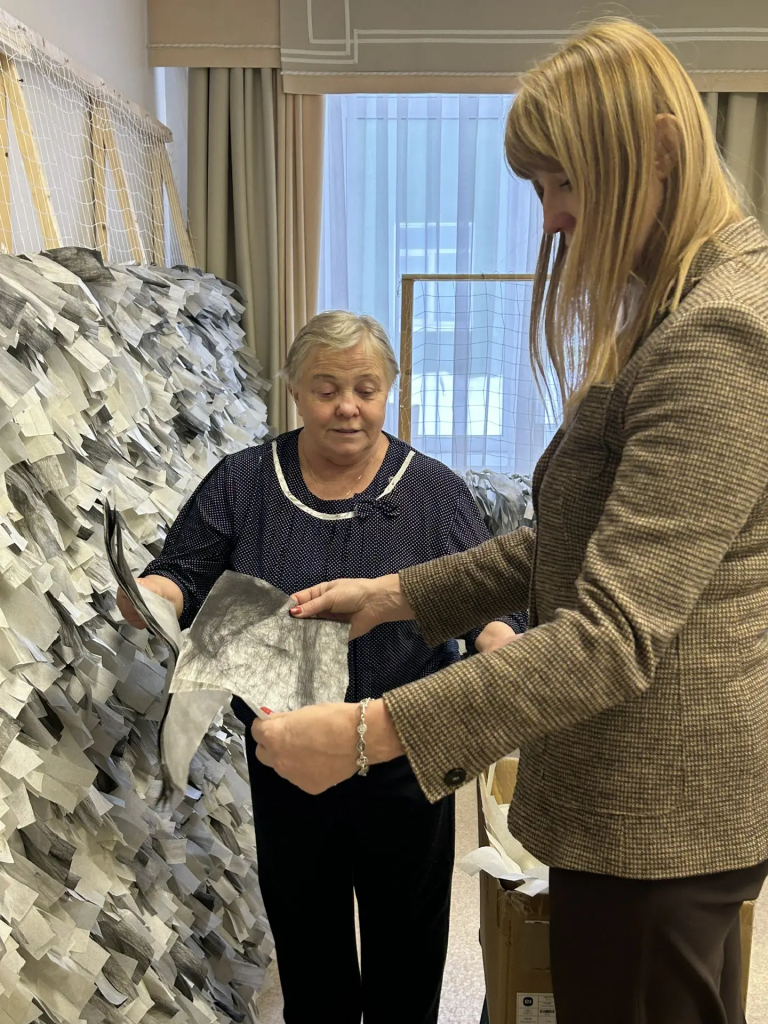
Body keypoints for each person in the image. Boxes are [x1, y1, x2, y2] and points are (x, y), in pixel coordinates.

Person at [250, 19, 768, 1024]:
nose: (553, 218)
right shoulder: (674, 310)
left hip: (659, 817)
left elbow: (611, 633)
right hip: (632, 809)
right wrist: (396, 593)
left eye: (564, 183)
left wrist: (366, 734)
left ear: (661, 152)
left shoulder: (717, 331)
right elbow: (575, 542)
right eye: (538, 190)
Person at [117, 309, 524, 1024]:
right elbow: (183, 570)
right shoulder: (244, 481)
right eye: (327, 388)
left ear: (390, 390)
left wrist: (498, 635)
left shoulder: (433, 491)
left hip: (406, 749)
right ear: (295, 391)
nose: (347, 407)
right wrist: (152, 595)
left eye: (366, 389)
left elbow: (485, 594)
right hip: (288, 747)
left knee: (409, 941)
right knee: (309, 943)